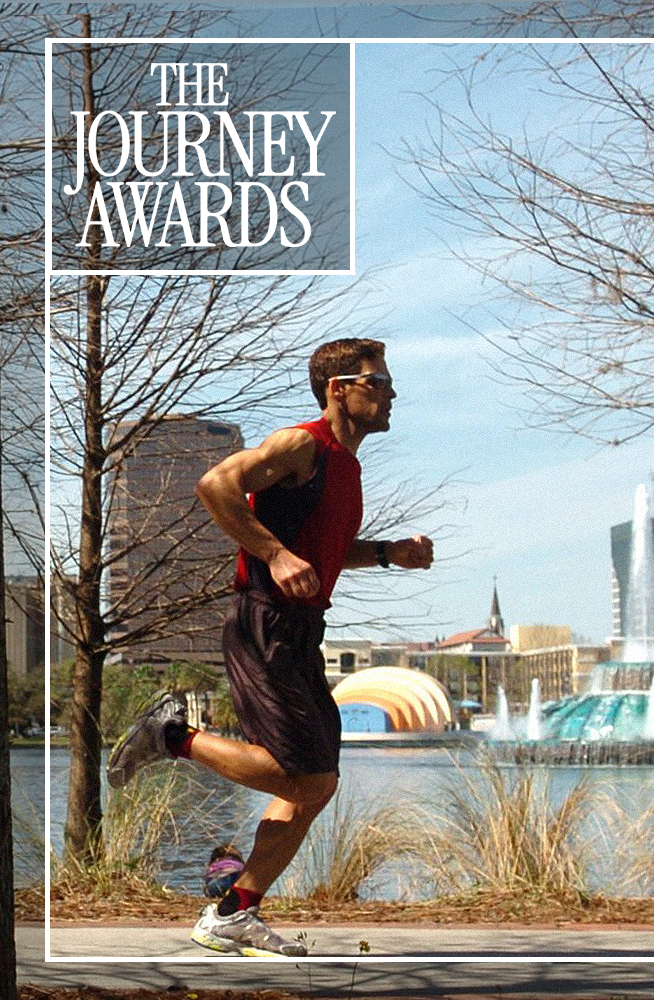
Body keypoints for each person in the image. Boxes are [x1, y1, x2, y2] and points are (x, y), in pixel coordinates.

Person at [106, 337, 433, 956]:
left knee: (317, 784)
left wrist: (390, 554)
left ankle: (235, 911)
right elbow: (215, 484)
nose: (391, 394)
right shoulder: (301, 444)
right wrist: (274, 554)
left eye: (389, 383)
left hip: (303, 631)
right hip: (267, 624)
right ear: (339, 388)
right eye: (378, 382)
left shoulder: (347, 466)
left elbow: (324, 551)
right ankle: (173, 737)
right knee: (303, 778)